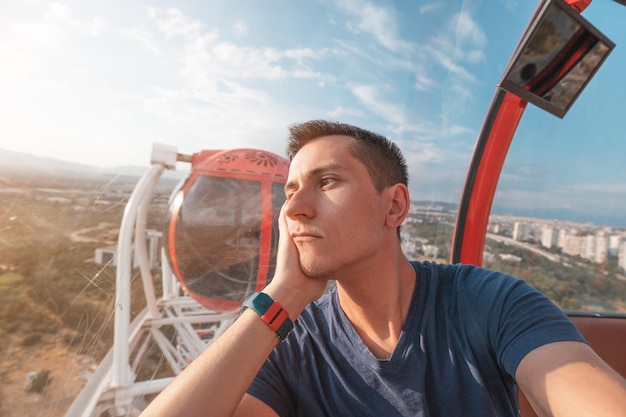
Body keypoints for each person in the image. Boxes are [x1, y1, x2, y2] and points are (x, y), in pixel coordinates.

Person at [140, 120, 626, 417]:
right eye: (289, 191)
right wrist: (283, 295)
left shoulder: (490, 303)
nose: (293, 209)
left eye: (326, 181)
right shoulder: (290, 339)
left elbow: (581, 388)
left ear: (394, 207)